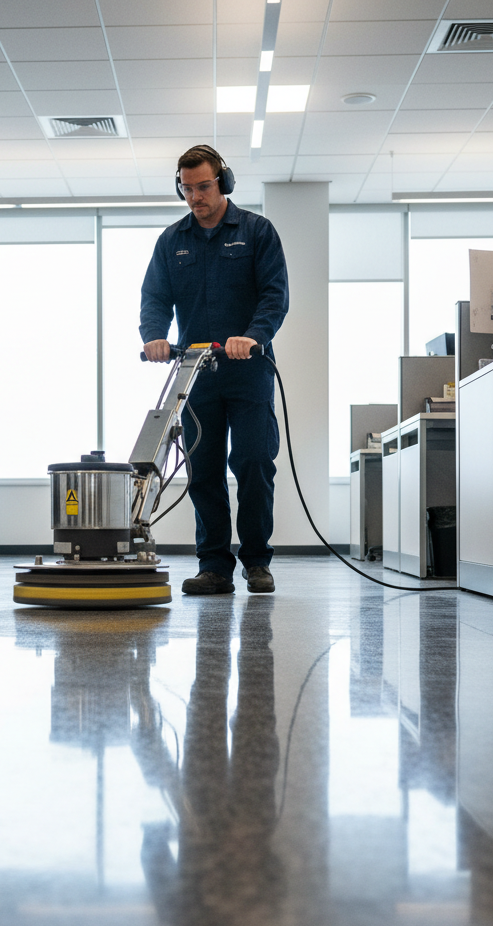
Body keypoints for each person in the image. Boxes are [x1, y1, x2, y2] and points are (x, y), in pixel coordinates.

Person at [140, 144, 289, 594]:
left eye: (203, 186)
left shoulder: (257, 232)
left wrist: (254, 336)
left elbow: (274, 296)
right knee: (202, 468)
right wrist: (154, 337)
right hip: (195, 374)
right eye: (186, 189)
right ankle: (215, 566)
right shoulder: (172, 241)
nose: (195, 197)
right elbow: (154, 298)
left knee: (253, 462)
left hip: (248, 370)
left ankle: (257, 561)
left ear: (223, 182)